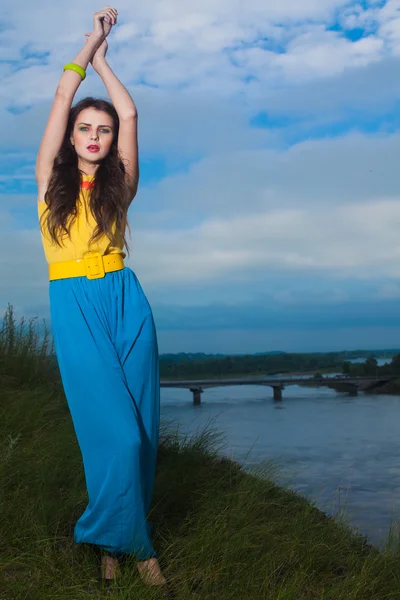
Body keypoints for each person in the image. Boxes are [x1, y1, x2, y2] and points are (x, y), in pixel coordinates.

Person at [36, 7, 173, 597]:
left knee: (140, 435)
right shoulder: (47, 181)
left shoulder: (122, 186)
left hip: (127, 303)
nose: (95, 135)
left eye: (104, 130)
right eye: (86, 129)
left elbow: (133, 110)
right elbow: (63, 95)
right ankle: (138, 553)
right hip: (75, 306)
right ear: (70, 136)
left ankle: (112, 547)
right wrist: (89, 42)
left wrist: (106, 63)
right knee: (112, 435)